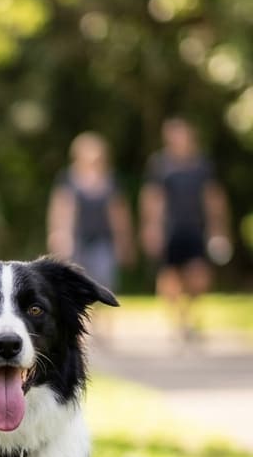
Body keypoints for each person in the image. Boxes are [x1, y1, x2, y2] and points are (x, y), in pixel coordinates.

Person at [140, 117, 232, 341]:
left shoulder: (202, 165)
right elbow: (152, 197)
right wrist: (151, 227)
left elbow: (212, 198)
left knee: (199, 277)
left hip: (196, 228)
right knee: (170, 276)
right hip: (170, 229)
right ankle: (179, 320)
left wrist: (217, 227)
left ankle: (189, 315)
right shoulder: (160, 165)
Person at [46, 132, 134, 292]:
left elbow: (119, 214)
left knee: (104, 280)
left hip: (103, 239)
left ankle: (104, 314)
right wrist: (59, 235)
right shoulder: (67, 179)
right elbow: (60, 209)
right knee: (77, 281)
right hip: (77, 239)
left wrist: (123, 240)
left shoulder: (111, 180)